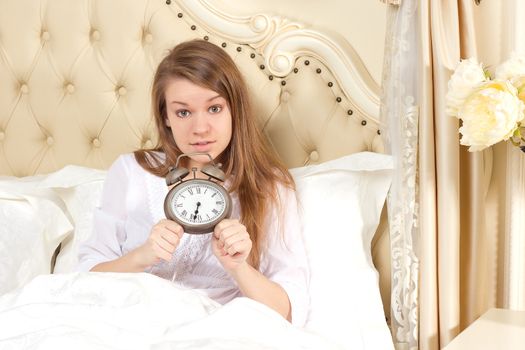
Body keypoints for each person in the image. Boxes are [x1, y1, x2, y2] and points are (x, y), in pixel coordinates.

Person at [78, 39, 309, 325]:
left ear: (235, 109)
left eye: (214, 109)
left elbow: (287, 311)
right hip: (126, 320)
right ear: (166, 117)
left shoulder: (269, 188)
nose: (200, 129)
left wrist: (238, 267)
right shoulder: (131, 171)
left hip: (213, 329)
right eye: (183, 112)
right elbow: (86, 278)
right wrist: (143, 256)